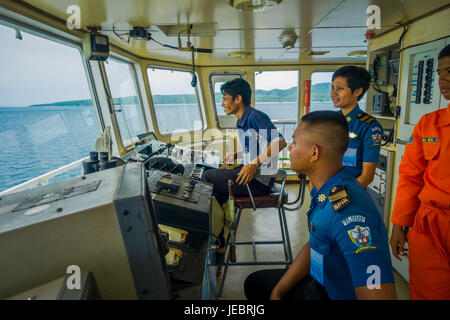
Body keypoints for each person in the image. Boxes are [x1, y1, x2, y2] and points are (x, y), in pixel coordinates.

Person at [244, 111, 396, 300]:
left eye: (295, 142)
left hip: (331, 294)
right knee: (256, 283)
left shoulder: (350, 217)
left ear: (314, 152)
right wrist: (279, 290)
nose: (289, 148)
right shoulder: (326, 189)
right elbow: (317, 241)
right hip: (320, 281)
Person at [389, 44, 450, 300]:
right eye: (439, 73)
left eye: (449, 71)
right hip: (431, 226)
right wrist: (399, 224)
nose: (442, 79)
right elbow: (410, 176)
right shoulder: (429, 124)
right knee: (428, 291)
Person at [203, 78, 287, 251]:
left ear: (238, 99)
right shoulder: (242, 120)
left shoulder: (255, 117)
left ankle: (217, 239)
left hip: (259, 181)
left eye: (225, 98)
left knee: (206, 176)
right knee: (215, 184)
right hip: (251, 174)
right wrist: (236, 155)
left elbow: (280, 142)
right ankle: (219, 240)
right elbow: (254, 148)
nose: (222, 103)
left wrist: (254, 165)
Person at [331, 66, 383, 188]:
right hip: (324, 190)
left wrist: (340, 198)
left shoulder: (370, 126)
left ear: (357, 91)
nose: (333, 93)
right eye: (332, 88)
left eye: (339, 88)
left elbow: (367, 176)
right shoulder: (329, 121)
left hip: (350, 193)